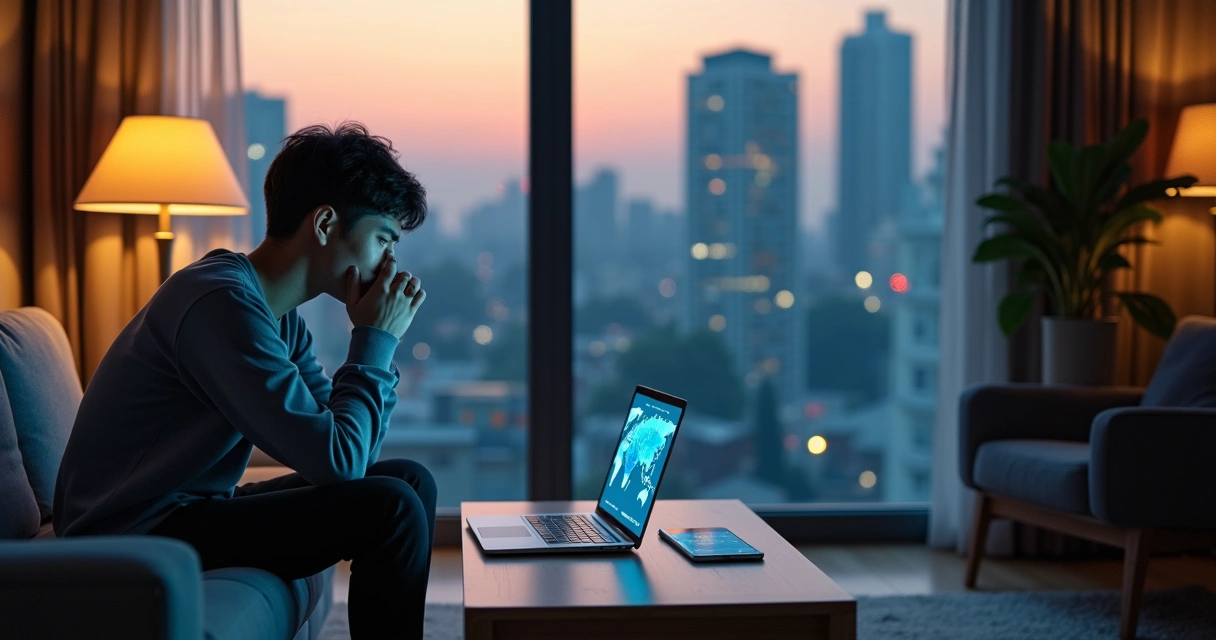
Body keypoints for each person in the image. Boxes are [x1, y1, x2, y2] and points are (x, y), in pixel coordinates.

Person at [53, 121, 435, 639]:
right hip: (131, 530)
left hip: (190, 509)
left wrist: (377, 346)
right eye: (383, 239)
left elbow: (353, 454)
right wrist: (375, 339)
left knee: (409, 480)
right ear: (325, 224)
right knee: (390, 508)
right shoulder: (220, 303)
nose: (390, 263)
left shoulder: (278, 317)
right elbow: (338, 462)